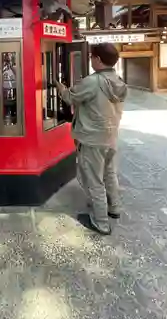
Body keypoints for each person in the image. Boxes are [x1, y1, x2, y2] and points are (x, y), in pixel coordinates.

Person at [55, 43, 127, 235]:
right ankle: (115, 208)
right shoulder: (118, 81)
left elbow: (71, 98)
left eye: (92, 57)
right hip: (110, 137)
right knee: (109, 175)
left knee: (94, 181)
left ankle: (101, 222)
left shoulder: (93, 81)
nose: (91, 60)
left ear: (98, 59)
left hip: (93, 139)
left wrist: (60, 87)